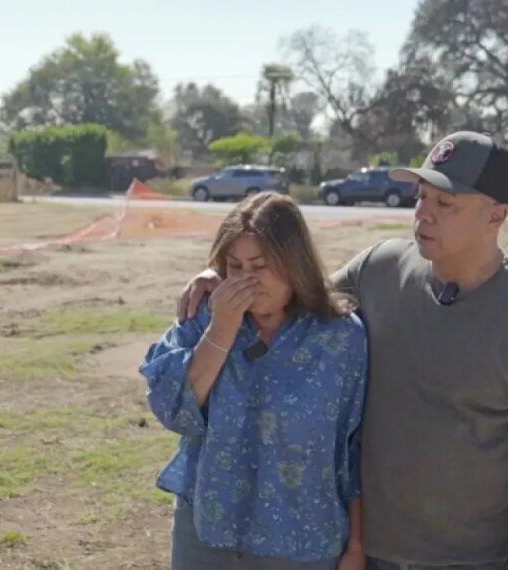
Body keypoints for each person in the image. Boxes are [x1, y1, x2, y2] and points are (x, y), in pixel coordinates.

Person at [176, 131, 508, 569]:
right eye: (421, 196)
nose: (423, 214)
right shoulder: (380, 268)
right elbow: (291, 294)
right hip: (369, 552)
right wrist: (221, 273)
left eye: (446, 204)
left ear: (497, 214)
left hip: (473, 558)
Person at [140, 191, 368, 570]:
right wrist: (222, 329)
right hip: (208, 536)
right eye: (235, 266)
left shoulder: (340, 338)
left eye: (260, 266)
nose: (246, 280)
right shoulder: (204, 315)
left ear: (294, 262)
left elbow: (356, 448)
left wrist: (357, 546)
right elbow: (171, 409)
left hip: (302, 542)